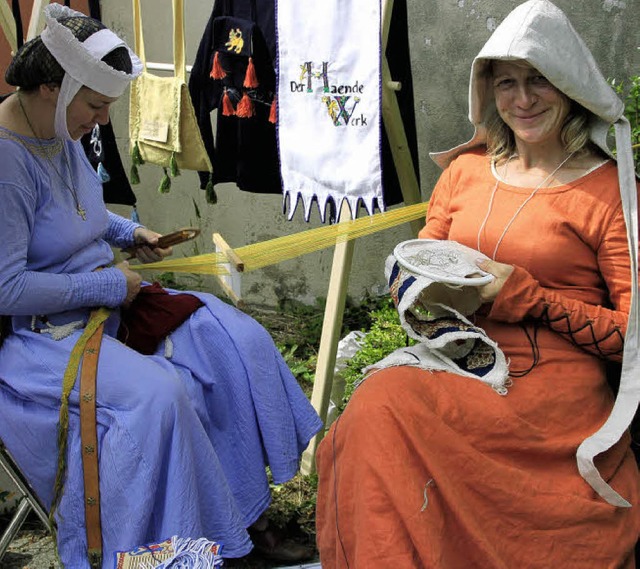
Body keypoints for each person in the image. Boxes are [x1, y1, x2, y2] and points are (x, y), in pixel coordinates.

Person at [315, 1, 640, 567]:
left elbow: (633, 338)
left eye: (539, 80)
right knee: (371, 416)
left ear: (568, 83)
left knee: (386, 411)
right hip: (457, 361)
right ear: (487, 91)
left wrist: (526, 297)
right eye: (506, 82)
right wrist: (420, 289)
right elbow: (416, 258)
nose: (522, 99)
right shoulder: (465, 170)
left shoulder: (611, 190)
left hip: (552, 393)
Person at [0, 5, 322, 568]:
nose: (101, 122)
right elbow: (8, 290)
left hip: (110, 298)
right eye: (96, 105)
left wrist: (133, 232)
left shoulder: (57, 126)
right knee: (163, 397)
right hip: (39, 338)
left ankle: (241, 521)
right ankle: (165, 555)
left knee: (237, 342)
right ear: (52, 87)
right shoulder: (6, 164)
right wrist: (103, 288)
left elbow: (85, 216)